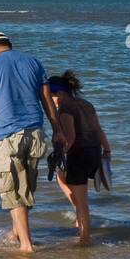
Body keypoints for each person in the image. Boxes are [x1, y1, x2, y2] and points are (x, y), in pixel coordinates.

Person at [0, 32, 62, 252]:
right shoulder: (33, 62)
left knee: (12, 192)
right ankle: (16, 233)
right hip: (35, 133)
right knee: (25, 188)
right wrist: (57, 130)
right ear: (9, 46)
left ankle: (26, 244)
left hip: (6, 135)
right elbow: (47, 100)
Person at [48, 71, 111, 242]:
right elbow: (98, 129)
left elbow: (71, 137)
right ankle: (79, 217)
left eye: (51, 96)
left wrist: (59, 154)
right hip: (94, 152)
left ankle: (84, 239)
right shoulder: (86, 104)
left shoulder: (64, 110)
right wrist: (107, 151)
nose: (50, 100)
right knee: (61, 177)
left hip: (79, 155)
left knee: (82, 202)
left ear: (59, 94)